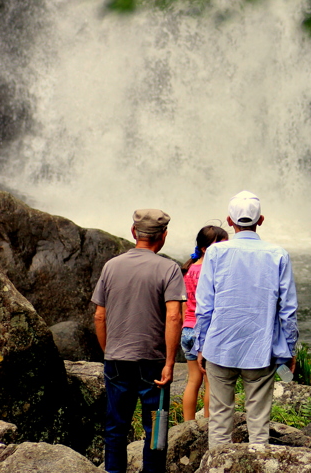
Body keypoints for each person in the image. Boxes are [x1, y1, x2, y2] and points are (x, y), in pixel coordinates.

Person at [194, 190, 298, 448]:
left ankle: (217, 465)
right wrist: (290, 347)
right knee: (259, 420)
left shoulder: (216, 253)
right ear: (260, 220)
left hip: (220, 346)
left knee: (219, 417)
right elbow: (288, 309)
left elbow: (204, 306)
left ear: (229, 222)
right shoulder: (278, 254)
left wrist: (201, 345)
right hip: (260, 348)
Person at [92, 209, 186, 473]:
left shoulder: (111, 266)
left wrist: (109, 351)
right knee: (156, 426)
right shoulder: (168, 268)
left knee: (115, 428)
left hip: (117, 360)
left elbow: (99, 316)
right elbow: (174, 317)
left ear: (134, 233)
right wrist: (170, 362)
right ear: (163, 236)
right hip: (154, 364)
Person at [180, 224, 228, 422]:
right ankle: (208, 425)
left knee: (192, 381)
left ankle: (187, 426)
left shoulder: (188, 270)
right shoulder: (212, 272)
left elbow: (184, 306)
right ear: (205, 248)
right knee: (211, 383)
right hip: (205, 332)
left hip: (188, 331)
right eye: (221, 246)